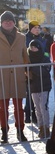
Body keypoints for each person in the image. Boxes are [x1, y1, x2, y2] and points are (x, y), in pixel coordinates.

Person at [0, 11, 29, 143]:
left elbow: (25, 55)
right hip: (2, 77)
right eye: (5, 20)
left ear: (14, 22)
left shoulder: (21, 37)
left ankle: (20, 131)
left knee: (19, 107)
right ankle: (4, 132)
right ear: (1, 22)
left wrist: (28, 71)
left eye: (10, 20)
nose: (8, 22)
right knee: (2, 107)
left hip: (17, 76)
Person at [27, 39, 52, 139]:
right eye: (32, 47)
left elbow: (45, 71)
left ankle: (46, 127)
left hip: (44, 85)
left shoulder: (44, 57)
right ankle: (41, 126)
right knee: (37, 108)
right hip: (33, 86)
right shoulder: (28, 58)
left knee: (43, 107)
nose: (33, 49)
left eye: (35, 47)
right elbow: (26, 70)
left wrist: (32, 68)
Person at [25, 20, 46, 124]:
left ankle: (35, 115)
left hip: (41, 69)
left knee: (39, 93)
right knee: (30, 93)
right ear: (30, 29)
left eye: (38, 28)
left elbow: (45, 52)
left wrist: (46, 63)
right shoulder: (25, 38)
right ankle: (28, 114)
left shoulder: (42, 39)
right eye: (35, 28)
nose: (37, 30)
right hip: (30, 68)